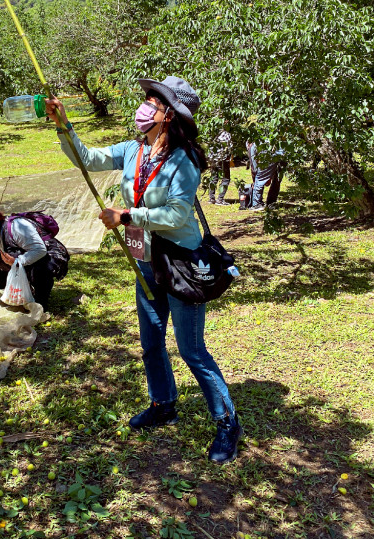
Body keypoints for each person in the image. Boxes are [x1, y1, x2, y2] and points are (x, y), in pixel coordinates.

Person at [45, 76, 242, 464]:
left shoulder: (183, 161)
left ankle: (227, 421)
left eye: (154, 102)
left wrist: (127, 214)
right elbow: (88, 159)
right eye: (147, 100)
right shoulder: (135, 150)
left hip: (180, 266)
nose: (145, 107)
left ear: (169, 115)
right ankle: (164, 403)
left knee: (191, 349)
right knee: (151, 343)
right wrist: (63, 124)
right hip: (145, 263)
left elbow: (176, 213)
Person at [246, 141, 284, 209]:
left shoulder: (253, 143)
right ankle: (261, 203)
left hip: (271, 152)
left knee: (262, 178)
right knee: (274, 178)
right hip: (279, 151)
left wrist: (255, 174)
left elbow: (254, 167)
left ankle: (258, 203)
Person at [207, 128, 233, 205]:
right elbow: (229, 147)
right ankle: (220, 199)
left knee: (214, 178)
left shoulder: (213, 134)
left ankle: (211, 198)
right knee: (226, 179)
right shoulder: (227, 134)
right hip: (222, 160)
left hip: (213, 159)